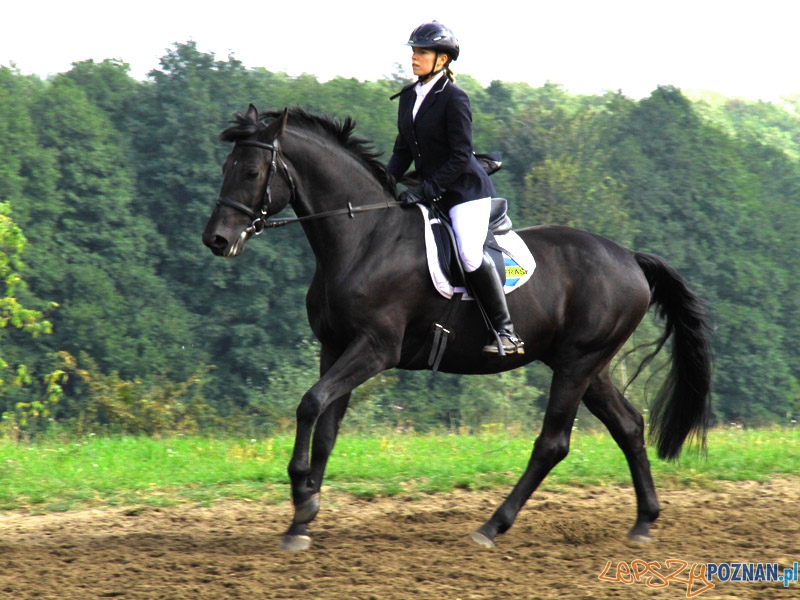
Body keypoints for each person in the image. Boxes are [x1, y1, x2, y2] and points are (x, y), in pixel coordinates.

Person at [387, 21, 524, 356]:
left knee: (468, 253)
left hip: (465, 193)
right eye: (414, 52)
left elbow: (462, 155)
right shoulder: (409, 97)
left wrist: (426, 189)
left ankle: (506, 332)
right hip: (432, 191)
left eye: (423, 52)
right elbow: (402, 151)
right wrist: (382, 183)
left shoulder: (454, 98)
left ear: (443, 60)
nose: (415, 58)